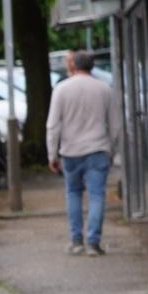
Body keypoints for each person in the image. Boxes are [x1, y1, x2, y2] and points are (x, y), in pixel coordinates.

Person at [47, 50, 119, 256]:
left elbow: (52, 125)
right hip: (97, 149)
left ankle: (76, 240)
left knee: (73, 194)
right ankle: (94, 242)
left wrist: (52, 155)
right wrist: (111, 150)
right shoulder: (104, 89)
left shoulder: (61, 89)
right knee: (97, 195)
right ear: (92, 66)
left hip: (70, 151)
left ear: (73, 66)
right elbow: (115, 125)